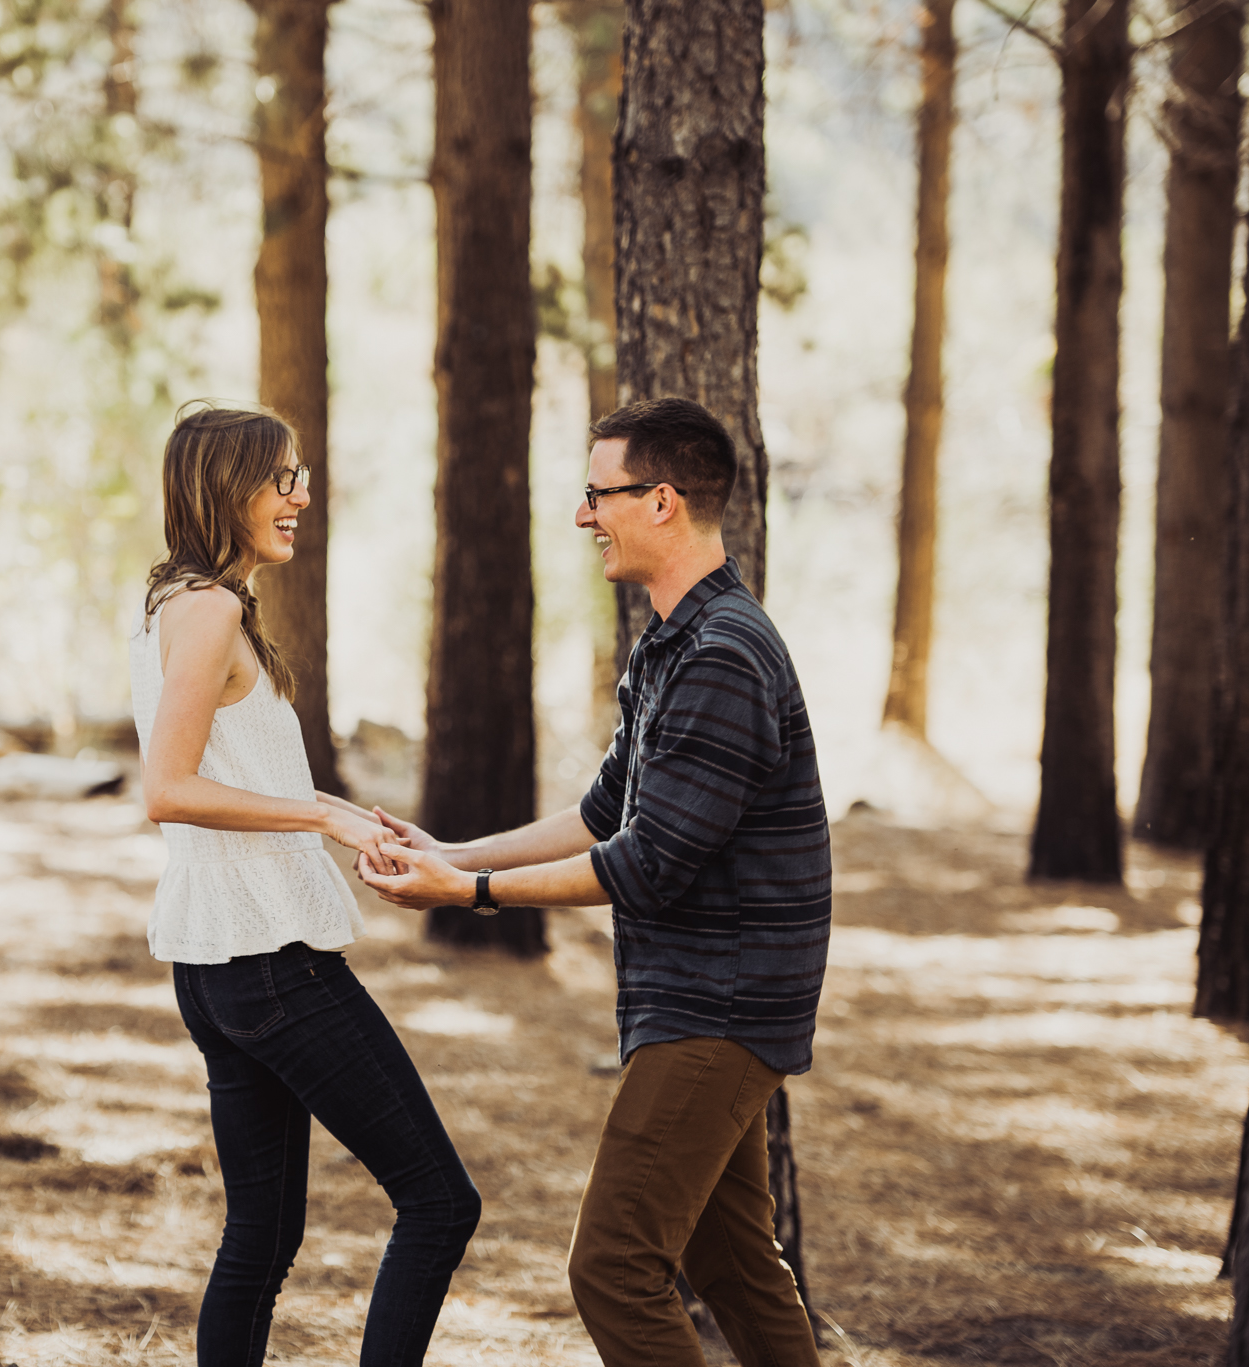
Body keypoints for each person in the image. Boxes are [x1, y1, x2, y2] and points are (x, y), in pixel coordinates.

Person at [358, 397, 829, 1367]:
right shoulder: (668, 643)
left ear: (659, 500)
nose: (581, 515)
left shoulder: (722, 655)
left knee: (611, 1264)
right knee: (732, 1258)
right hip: (701, 1000)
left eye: (595, 493)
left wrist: (467, 898)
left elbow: (643, 864)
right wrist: (452, 853)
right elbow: (599, 811)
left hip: (719, 1006)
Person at [130, 402, 482, 1367]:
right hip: (267, 962)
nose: (302, 495)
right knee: (441, 1201)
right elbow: (168, 788)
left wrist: (353, 814)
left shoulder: (179, 600)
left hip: (219, 967)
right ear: (225, 488)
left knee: (262, 1238)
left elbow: (241, 775)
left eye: (303, 474)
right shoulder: (207, 608)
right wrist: (324, 819)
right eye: (281, 478)